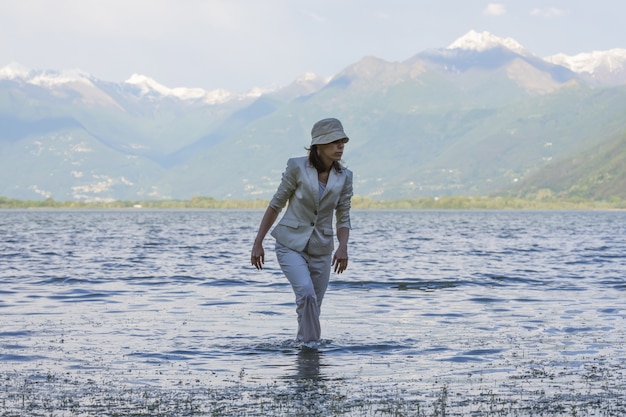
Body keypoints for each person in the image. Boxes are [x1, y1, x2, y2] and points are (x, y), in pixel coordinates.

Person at [251, 117, 353, 344]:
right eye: (334, 141)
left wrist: (343, 247)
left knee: (313, 306)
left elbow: (343, 216)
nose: (340, 146)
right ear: (319, 145)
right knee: (306, 294)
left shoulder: (345, 177)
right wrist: (258, 242)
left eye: (342, 141)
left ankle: (306, 352)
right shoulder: (297, 167)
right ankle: (311, 349)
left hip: (322, 248)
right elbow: (276, 204)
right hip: (290, 244)